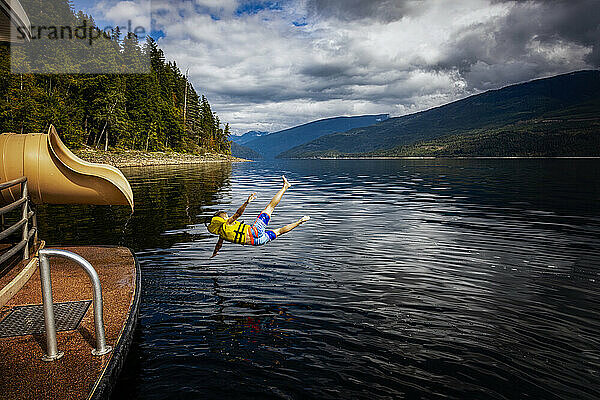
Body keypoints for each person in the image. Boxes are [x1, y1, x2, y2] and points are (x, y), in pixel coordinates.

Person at [207, 176, 310, 258]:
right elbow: (238, 214)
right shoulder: (227, 223)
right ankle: (285, 187)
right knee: (270, 207)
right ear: (222, 219)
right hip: (255, 231)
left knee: (279, 232)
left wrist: (215, 252)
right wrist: (246, 202)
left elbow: (218, 245)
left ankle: (300, 222)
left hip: (257, 242)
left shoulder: (222, 235)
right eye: (226, 216)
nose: (227, 216)